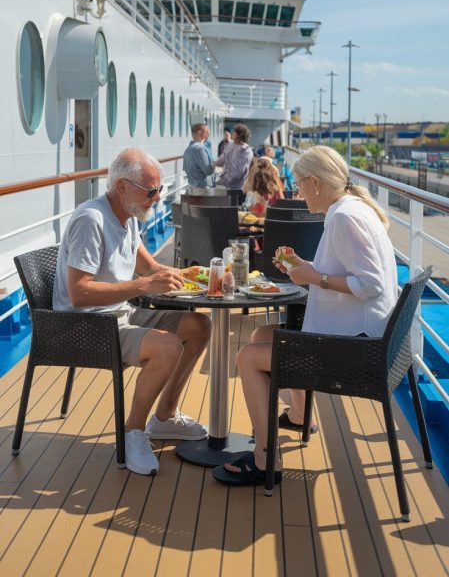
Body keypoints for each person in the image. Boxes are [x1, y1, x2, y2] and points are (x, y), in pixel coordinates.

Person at [212, 145, 398, 486]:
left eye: (298, 184)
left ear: (315, 183)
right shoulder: (350, 209)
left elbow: (369, 285)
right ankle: (299, 415)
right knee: (262, 337)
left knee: (247, 358)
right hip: (364, 338)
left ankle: (265, 460)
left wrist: (314, 278)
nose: (296, 191)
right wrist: (307, 268)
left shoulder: (344, 217)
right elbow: (354, 274)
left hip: (354, 349)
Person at [53, 148, 211, 476]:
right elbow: (79, 293)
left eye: (159, 190)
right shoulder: (91, 220)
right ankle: (132, 432)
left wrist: (194, 277)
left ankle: (165, 417)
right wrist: (144, 286)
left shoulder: (127, 217)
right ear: (123, 186)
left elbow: (148, 267)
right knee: (167, 346)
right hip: (85, 325)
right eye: (150, 190)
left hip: (118, 313)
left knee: (198, 325)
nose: (156, 197)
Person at [214, 123, 253, 199]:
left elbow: (240, 172)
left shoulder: (247, 151)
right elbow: (221, 160)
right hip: (224, 186)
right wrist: (212, 163)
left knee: (234, 209)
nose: (232, 134)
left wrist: (225, 180)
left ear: (239, 135)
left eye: (234, 133)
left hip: (237, 189)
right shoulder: (230, 145)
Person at [183, 123, 215, 187]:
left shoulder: (188, 149)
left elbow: (185, 168)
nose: (208, 134)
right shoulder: (199, 149)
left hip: (193, 184)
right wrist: (215, 164)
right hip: (203, 187)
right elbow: (208, 171)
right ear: (199, 133)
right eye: (207, 132)